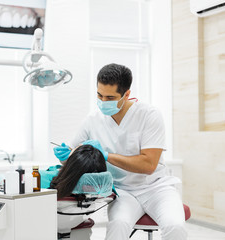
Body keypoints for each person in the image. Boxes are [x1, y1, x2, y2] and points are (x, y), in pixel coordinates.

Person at [53, 63, 187, 240]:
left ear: (126, 94)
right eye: (99, 95)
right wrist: (66, 156)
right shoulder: (92, 120)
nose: (103, 101)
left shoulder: (149, 115)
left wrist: (107, 156)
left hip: (156, 187)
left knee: (175, 226)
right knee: (118, 225)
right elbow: (74, 156)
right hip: (122, 191)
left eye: (110, 97)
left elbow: (148, 165)